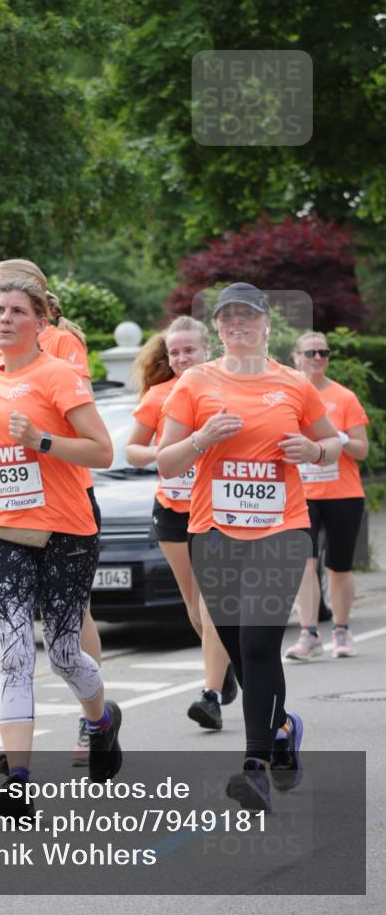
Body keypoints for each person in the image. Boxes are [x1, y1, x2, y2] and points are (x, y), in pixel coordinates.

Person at [158, 283, 341, 810]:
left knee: (260, 645)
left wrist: (313, 447)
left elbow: (333, 444)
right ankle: (282, 727)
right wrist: (202, 438)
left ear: (266, 325)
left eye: (248, 316)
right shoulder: (194, 382)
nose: (237, 324)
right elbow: (166, 462)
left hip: (280, 530)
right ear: (217, 329)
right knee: (240, 650)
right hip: (213, 533)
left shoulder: (294, 385)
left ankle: (255, 764)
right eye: (227, 318)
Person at [0, 276, 120, 815]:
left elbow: (102, 452)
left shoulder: (59, 376)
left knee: (65, 653)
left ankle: (101, 720)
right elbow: (7, 461)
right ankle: (18, 780)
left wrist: (42, 441)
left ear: (40, 321)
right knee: (16, 651)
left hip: (67, 531)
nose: (3, 318)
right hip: (3, 529)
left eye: (17, 311)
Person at [126, 316, 237, 731]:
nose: (181, 358)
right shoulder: (158, 396)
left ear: (208, 350)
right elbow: (133, 450)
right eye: (174, 352)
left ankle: (210, 696)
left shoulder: (226, 387)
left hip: (219, 511)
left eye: (189, 350)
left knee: (212, 604)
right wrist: (166, 454)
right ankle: (223, 669)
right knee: (194, 607)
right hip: (173, 510)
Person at [285, 331, 369, 661]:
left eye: (323, 352)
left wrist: (341, 439)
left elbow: (362, 450)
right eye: (310, 353)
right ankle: (308, 635)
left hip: (342, 493)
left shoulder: (344, 397)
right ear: (296, 357)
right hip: (302, 494)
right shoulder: (288, 398)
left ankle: (342, 630)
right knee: (304, 564)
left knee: (339, 567)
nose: (318, 358)